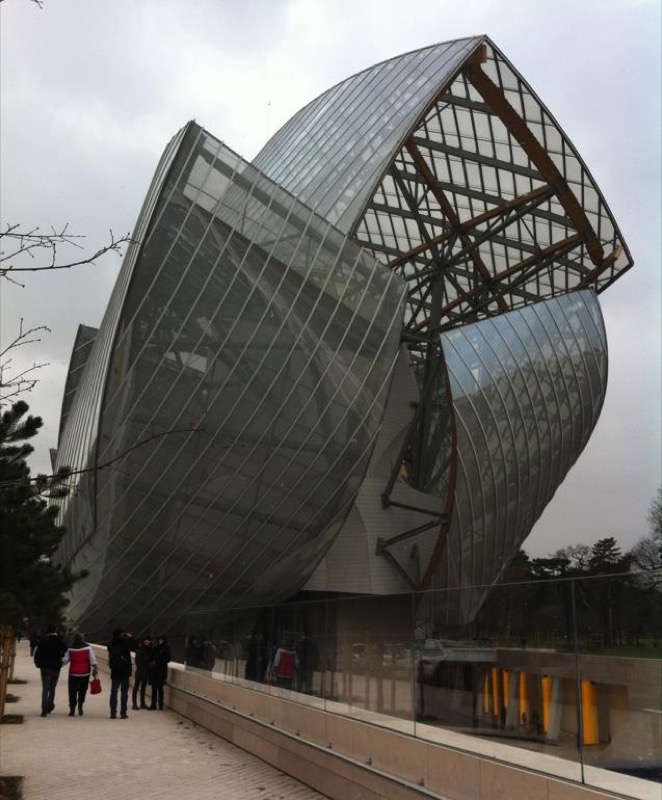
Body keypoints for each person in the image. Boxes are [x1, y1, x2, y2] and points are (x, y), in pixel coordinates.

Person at [62, 632, 98, 716]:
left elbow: (64, 660)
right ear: (82, 639)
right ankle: (80, 705)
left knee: (72, 691)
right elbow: (92, 660)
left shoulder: (70, 649)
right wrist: (95, 669)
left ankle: (72, 709)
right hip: (85, 673)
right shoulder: (88, 648)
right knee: (83, 690)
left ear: (74, 639)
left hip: (73, 673)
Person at [33, 625, 67, 716]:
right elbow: (65, 652)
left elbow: (37, 654)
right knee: (52, 688)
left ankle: (44, 709)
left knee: (45, 688)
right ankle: (50, 706)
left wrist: (38, 663)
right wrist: (60, 662)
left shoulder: (43, 641)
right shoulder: (60, 641)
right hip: (56, 668)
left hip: (45, 668)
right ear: (55, 630)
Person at [107, 628, 135, 719]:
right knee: (124, 693)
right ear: (121, 634)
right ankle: (123, 713)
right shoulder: (125, 643)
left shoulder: (110, 644)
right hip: (125, 671)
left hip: (115, 671)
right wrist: (130, 638)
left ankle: (113, 713)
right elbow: (135, 647)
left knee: (114, 692)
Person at [149, 635, 171, 710]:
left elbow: (168, 659)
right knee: (154, 688)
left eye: (161, 640)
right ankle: (153, 705)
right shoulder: (155, 648)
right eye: (159, 640)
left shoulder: (166, 649)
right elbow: (151, 658)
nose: (160, 641)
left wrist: (158, 660)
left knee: (160, 688)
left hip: (161, 671)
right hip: (155, 671)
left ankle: (160, 705)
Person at [132, 635, 154, 710]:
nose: (147, 641)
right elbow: (137, 661)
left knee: (143, 688)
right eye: (146, 640)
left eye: (149, 640)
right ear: (143, 641)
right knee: (136, 687)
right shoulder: (139, 649)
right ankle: (134, 704)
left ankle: (142, 703)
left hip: (147, 671)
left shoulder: (150, 649)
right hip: (140, 671)